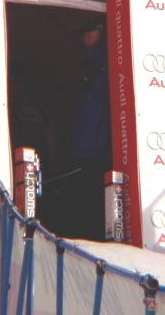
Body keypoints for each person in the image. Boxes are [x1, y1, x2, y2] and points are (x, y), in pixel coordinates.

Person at [66, 15, 112, 240]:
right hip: (85, 148)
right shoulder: (91, 63)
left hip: (97, 150)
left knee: (93, 206)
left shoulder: (108, 63)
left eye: (89, 32)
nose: (85, 38)